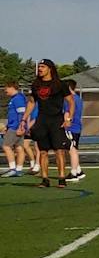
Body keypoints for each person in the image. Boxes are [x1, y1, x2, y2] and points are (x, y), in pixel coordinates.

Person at [25, 60, 70, 188]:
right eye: (39, 66)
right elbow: (32, 102)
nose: (40, 69)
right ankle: (45, 179)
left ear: (49, 69)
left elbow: (71, 101)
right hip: (42, 120)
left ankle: (62, 178)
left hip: (56, 120)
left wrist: (68, 117)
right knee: (43, 151)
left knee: (59, 151)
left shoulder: (60, 84)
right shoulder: (36, 84)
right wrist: (24, 119)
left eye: (42, 67)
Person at [63, 76, 86, 181]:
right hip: (77, 126)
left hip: (72, 127)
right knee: (74, 149)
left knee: (72, 150)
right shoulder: (78, 98)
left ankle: (73, 173)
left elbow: (67, 112)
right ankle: (78, 170)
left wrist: (66, 122)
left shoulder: (69, 99)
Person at [4, 78, 27, 177]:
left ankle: (12, 168)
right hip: (14, 126)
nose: (5, 91)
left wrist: (20, 127)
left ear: (12, 87)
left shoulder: (17, 98)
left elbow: (21, 113)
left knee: (6, 146)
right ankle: (18, 169)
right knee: (19, 147)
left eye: (6, 88)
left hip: (15, 127)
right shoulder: (16, 98)